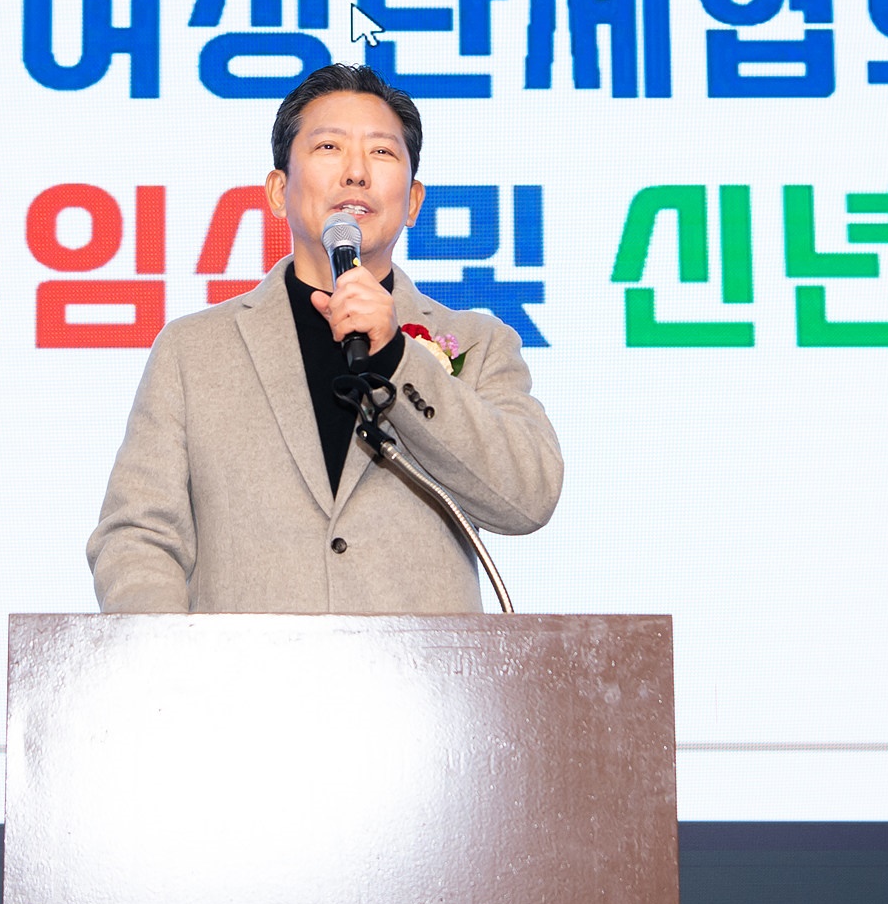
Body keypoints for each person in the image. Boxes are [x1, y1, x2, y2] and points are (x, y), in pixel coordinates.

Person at [88, 63, 563, 613]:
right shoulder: (193, 351)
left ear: (413, 201)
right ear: (278, 191)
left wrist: (399, 358)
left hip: (424, 669)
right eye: (329, 147)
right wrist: (170, 655)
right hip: (242, 668)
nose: (356, 173)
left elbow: (527, 498)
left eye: (381, 152)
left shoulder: (478, 343)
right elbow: (138, 535)